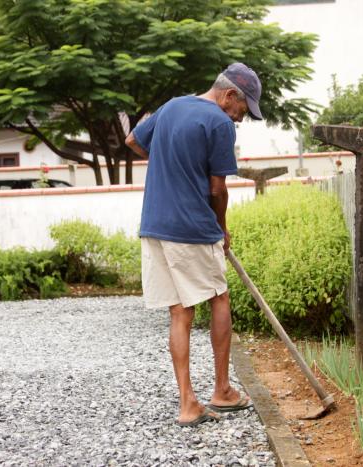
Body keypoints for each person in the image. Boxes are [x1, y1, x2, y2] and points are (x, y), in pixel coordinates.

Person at [125, 63, 263, 427]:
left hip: (154, 225)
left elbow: (133, 141)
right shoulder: (218, 122)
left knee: (180, 312)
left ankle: (188, 403)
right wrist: (222, 229)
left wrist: (171, 166)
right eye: (243, 110)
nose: (240, 119)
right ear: (229, 95)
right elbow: (217, 189)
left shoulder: (171, 106)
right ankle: (221, 390)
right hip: (192, 227)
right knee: (219, 297)